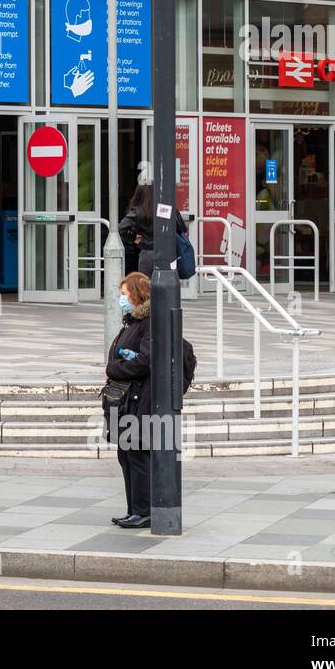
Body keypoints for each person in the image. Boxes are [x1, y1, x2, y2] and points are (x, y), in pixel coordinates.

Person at [105, 272, 153, 529]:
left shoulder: (149, 323)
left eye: (124, 294)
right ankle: (133, 509)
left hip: (140, 400)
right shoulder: (132, 321)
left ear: (137, 294)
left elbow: (145, 362)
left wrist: (115, 368)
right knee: (126, 455)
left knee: (137, 455)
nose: (121, 299)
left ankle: (144, 511)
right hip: (128, 401)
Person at [118, 182, 187, 276]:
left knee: (147, 287)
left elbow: (121, 228)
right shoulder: (166, 207)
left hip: (146, 255)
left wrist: (134, 238)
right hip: (166, 254)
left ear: (139, 193)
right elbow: (182, 228)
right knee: (166, 287)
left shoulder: (137, 211)